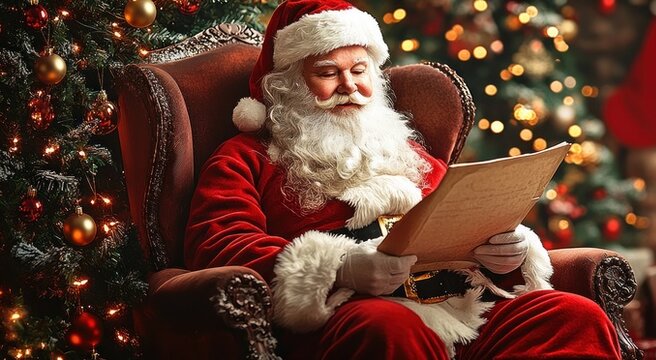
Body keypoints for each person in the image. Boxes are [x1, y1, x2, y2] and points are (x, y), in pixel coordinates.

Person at [184, 0, 621, 358]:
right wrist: (341, 269)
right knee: (389, 329)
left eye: (359, 71)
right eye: (327, 73)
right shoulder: (244, 159)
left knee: (571, 315)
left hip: (464, 310)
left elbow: (464, 218)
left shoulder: (405, 150)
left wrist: (509, 251)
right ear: (288, 85)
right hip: (355, 313)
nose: (349, 86)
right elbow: (219, 245)